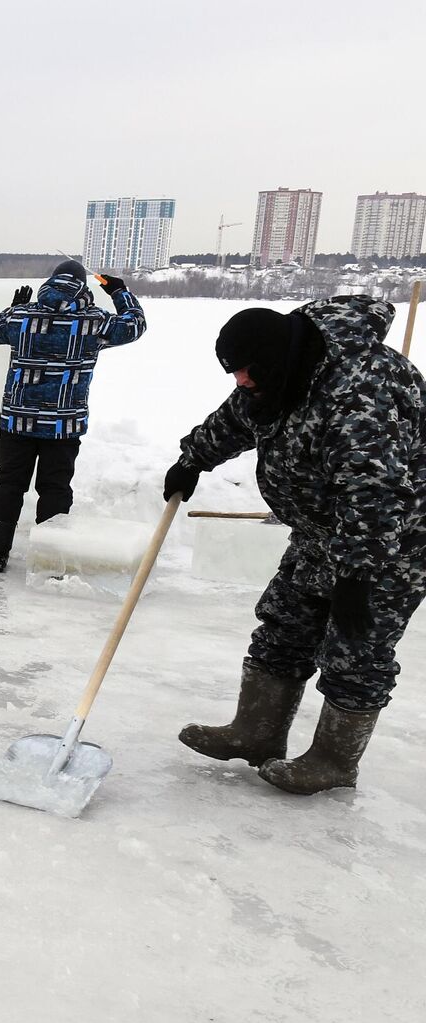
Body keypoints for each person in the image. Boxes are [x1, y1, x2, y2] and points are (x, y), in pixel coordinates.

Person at [167, 297, 426, 794]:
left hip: (393, 539)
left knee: (357, 647)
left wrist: (356, 576)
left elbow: (372, 491)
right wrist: (193, 459)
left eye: (245, 372)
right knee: (284, 623)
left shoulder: (360, 391)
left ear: (271, 359)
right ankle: (256, 732)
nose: (241, 382)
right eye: (234, 373)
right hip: (321, 531)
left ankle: (333, 761)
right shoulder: (280, 369)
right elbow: (239, 417)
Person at [0, 259, 147, 571]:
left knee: (8, 484)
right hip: (63, 425)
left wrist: (12, 308)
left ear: (51, 282)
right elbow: (135, 325)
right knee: (55, 489)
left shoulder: (22, 316)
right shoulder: (95, 322)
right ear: (82, 287)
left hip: (18, 422)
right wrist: (120, 292)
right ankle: (47, 560)